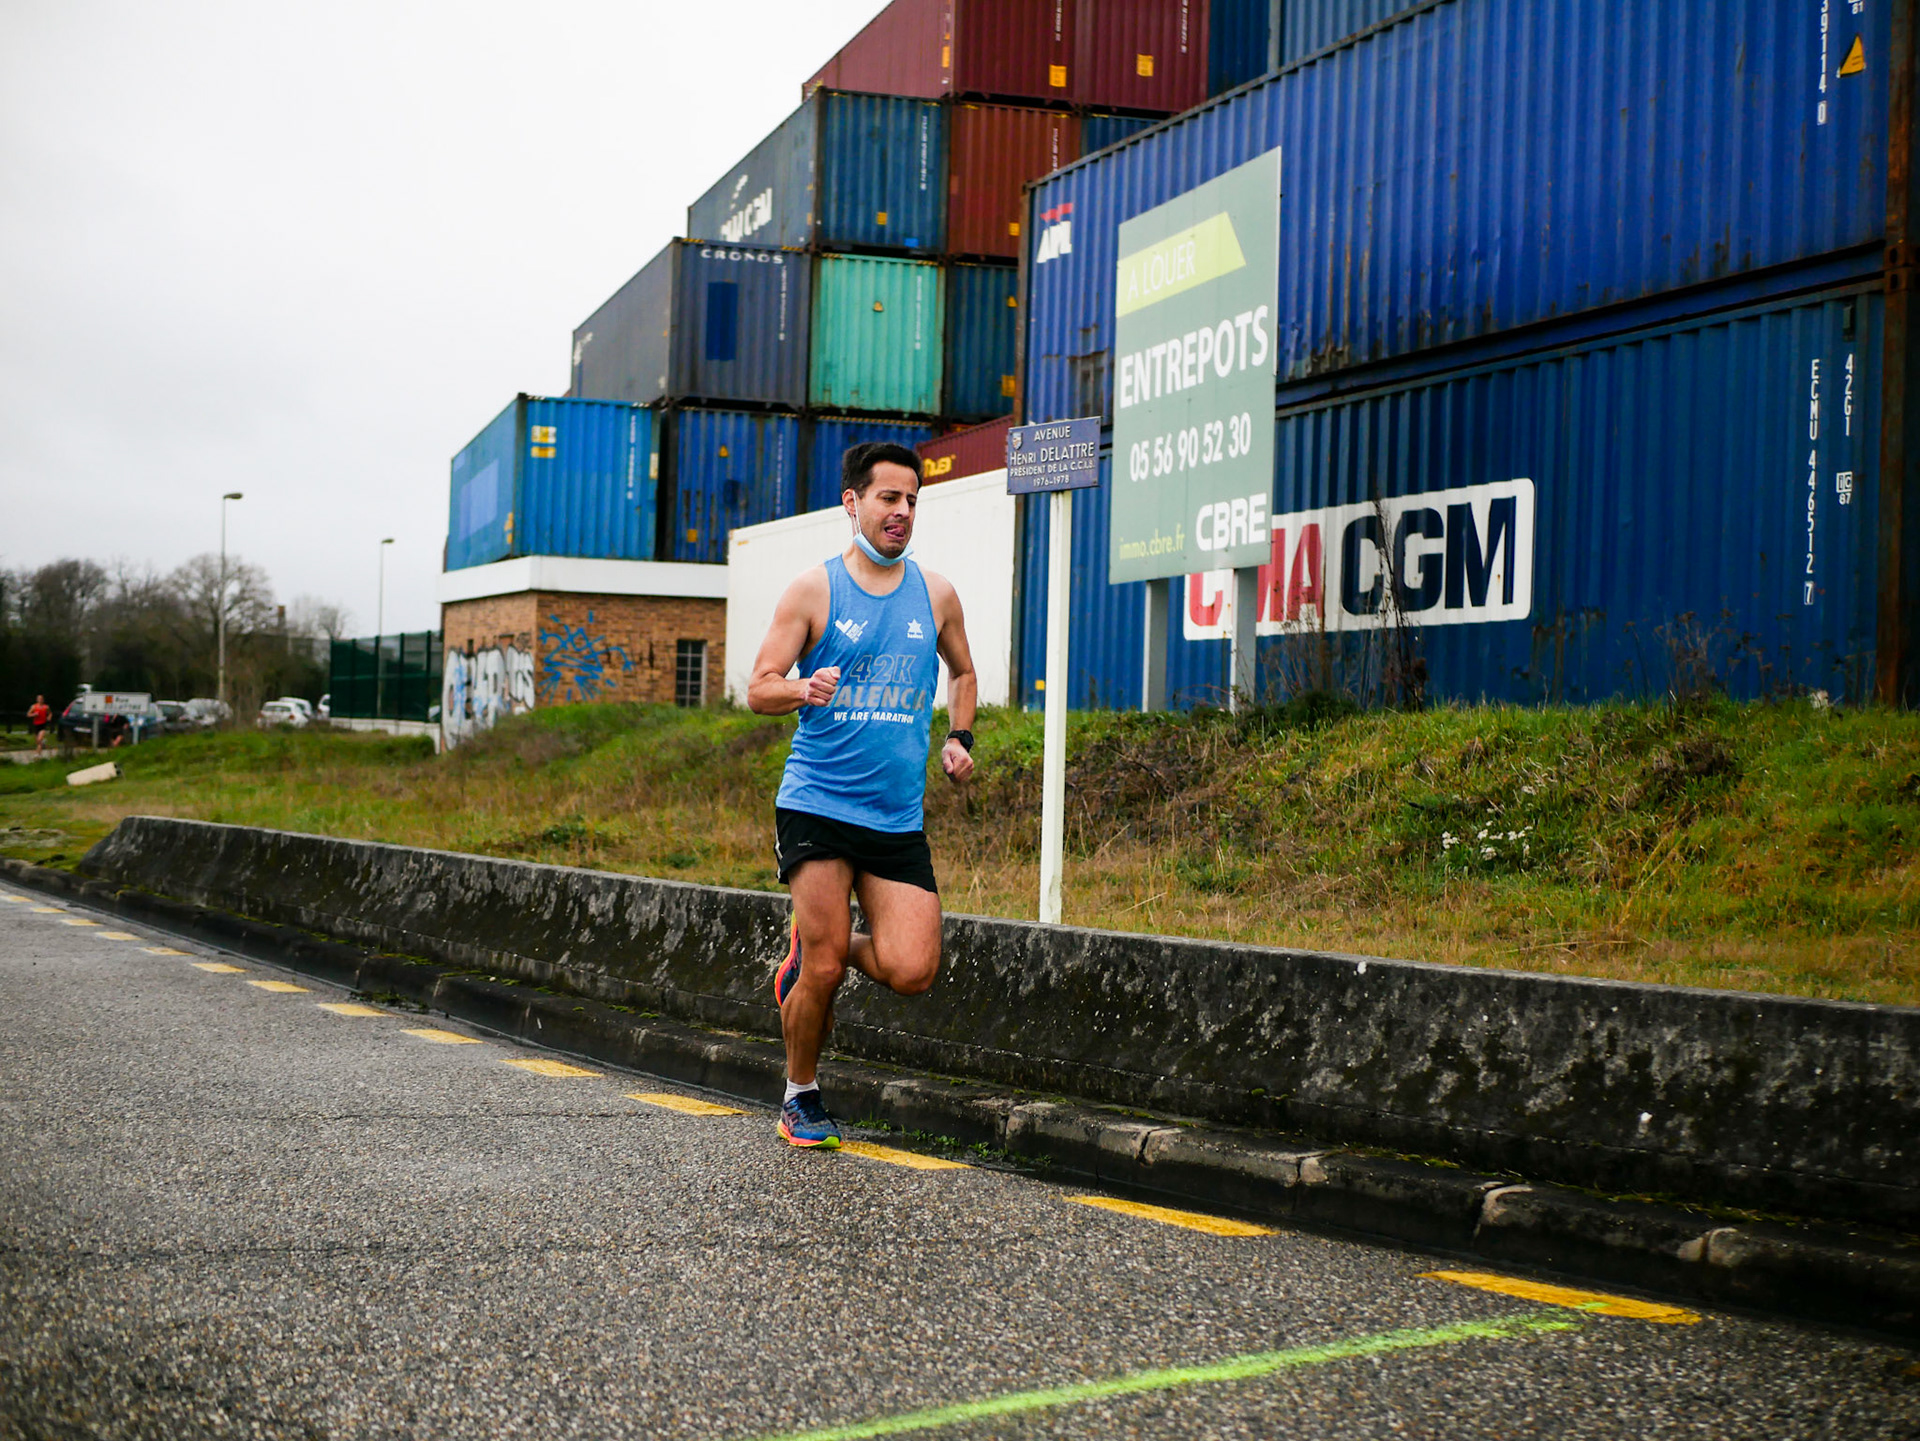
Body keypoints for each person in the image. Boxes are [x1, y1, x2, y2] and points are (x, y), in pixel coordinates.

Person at [748, 441, 977, 1149]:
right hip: (817, 803)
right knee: (822, 970)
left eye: (912, 499)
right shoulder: (813, 591)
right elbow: (759, 687)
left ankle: (817, 943)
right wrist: (801, 687)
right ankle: (800, 1096)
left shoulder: (935, 594)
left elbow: (963, 672)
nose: (902, 511)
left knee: (913, 969)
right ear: (853, 502)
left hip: (894, 817)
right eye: (888, 498)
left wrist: (960, 736)